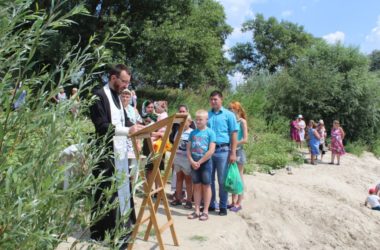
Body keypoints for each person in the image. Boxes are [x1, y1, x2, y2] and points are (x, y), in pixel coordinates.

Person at [89, 64, 143, 242]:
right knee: (106, 193)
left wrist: (141, 129)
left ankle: (122, 228)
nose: (126, 86)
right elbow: (102, 126)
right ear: (113, 78)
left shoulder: (118, 97)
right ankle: (103, 234)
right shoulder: (99, 96)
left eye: (128, 82)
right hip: (104, 152)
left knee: (121, 188)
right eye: (124, 81)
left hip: (119, 151)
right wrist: (129, 131)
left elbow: (124, 120)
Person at [208, 91, 238, 216]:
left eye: (215, 99)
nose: (213, 101)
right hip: (209, 152)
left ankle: (223, 206)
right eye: (211, 99)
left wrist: (233, 152)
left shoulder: (229, 115)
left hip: (223, 151)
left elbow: (234, 134)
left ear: (221, 99)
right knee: (209, 180)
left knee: (222, 180)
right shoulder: (207, 115)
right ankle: (210, 204)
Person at [187, 110, 216, 221]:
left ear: (206, 120)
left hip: (205, 164)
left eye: (200, 119)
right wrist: (191, 161)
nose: (198, 121)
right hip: (194, 163)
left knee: (206, 186)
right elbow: (188, 149)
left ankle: (205, 211)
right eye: (197, 119)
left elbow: (211, 150)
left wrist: (200, 161)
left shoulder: (210, 132)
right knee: (197, 186)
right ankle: (197, 210)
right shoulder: (192, 133)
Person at [169, 104, 196, 199]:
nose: (181, 113)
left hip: (187, 159)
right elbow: (173, 142)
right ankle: (178, 196)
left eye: (183, 111)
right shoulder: (177, 128)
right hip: (178, 158)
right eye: (180, 111)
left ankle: (189, 198)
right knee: (178, 178)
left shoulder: (193, 131)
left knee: (188, 179)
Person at [227, 101, 248, 212]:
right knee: (232, 177)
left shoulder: (242, 122)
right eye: (229, 108)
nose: (230, 110)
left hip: (238, 151)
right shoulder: (230, 121)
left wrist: (234, 144)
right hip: (229, 151)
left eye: (232, 108)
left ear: (237, 110)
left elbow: (245, 139)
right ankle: (233, 201)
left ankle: (239, 202)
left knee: (239, 177)